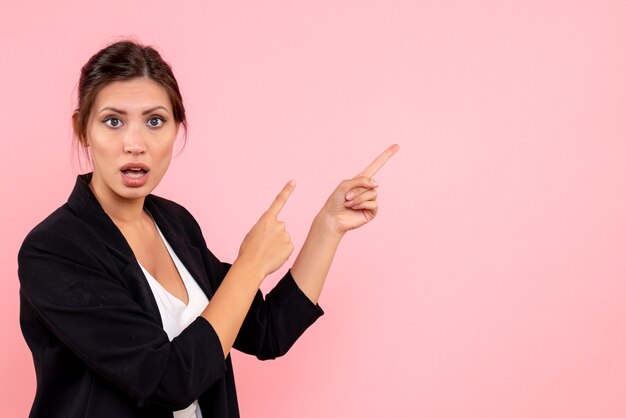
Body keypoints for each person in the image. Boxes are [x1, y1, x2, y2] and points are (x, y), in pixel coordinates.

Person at [17, 40, 399, 418]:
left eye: (155, 121)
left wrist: (328, 227)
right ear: (81, 129)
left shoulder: (175, 223)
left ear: (176, 129)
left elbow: (267, 332)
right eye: (113, 121)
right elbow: (168, 380)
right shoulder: (52, 250)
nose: (135, 144)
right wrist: (250, 265)